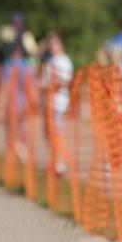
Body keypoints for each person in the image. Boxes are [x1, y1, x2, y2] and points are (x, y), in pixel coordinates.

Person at [40, 32, 73, 175]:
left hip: (59, 102)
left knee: (56, 133)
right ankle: (54, 161)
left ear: (61, 44)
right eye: (50, 44)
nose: (51, 47)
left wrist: (48, 85)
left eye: (54, 43)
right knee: (49, 133)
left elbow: (65, 81)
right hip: (50, 102)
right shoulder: (51, 60)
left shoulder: (63, 61)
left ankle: (60, 164)